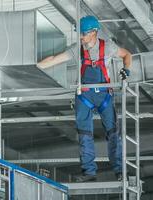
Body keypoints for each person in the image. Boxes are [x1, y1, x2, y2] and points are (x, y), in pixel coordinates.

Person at [38, 15, 132, 182]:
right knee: (84, 134)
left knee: (113, 133)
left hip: (104, 95)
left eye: (84, 33)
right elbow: (54, 60)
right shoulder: (77, 49)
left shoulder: (108, 47)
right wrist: (35, 65)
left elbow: (127, 55)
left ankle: (120, 171)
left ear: (94, 32)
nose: (81, 37)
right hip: (84, 95)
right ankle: (89, 172)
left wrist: (127, 70)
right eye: (79, 33)